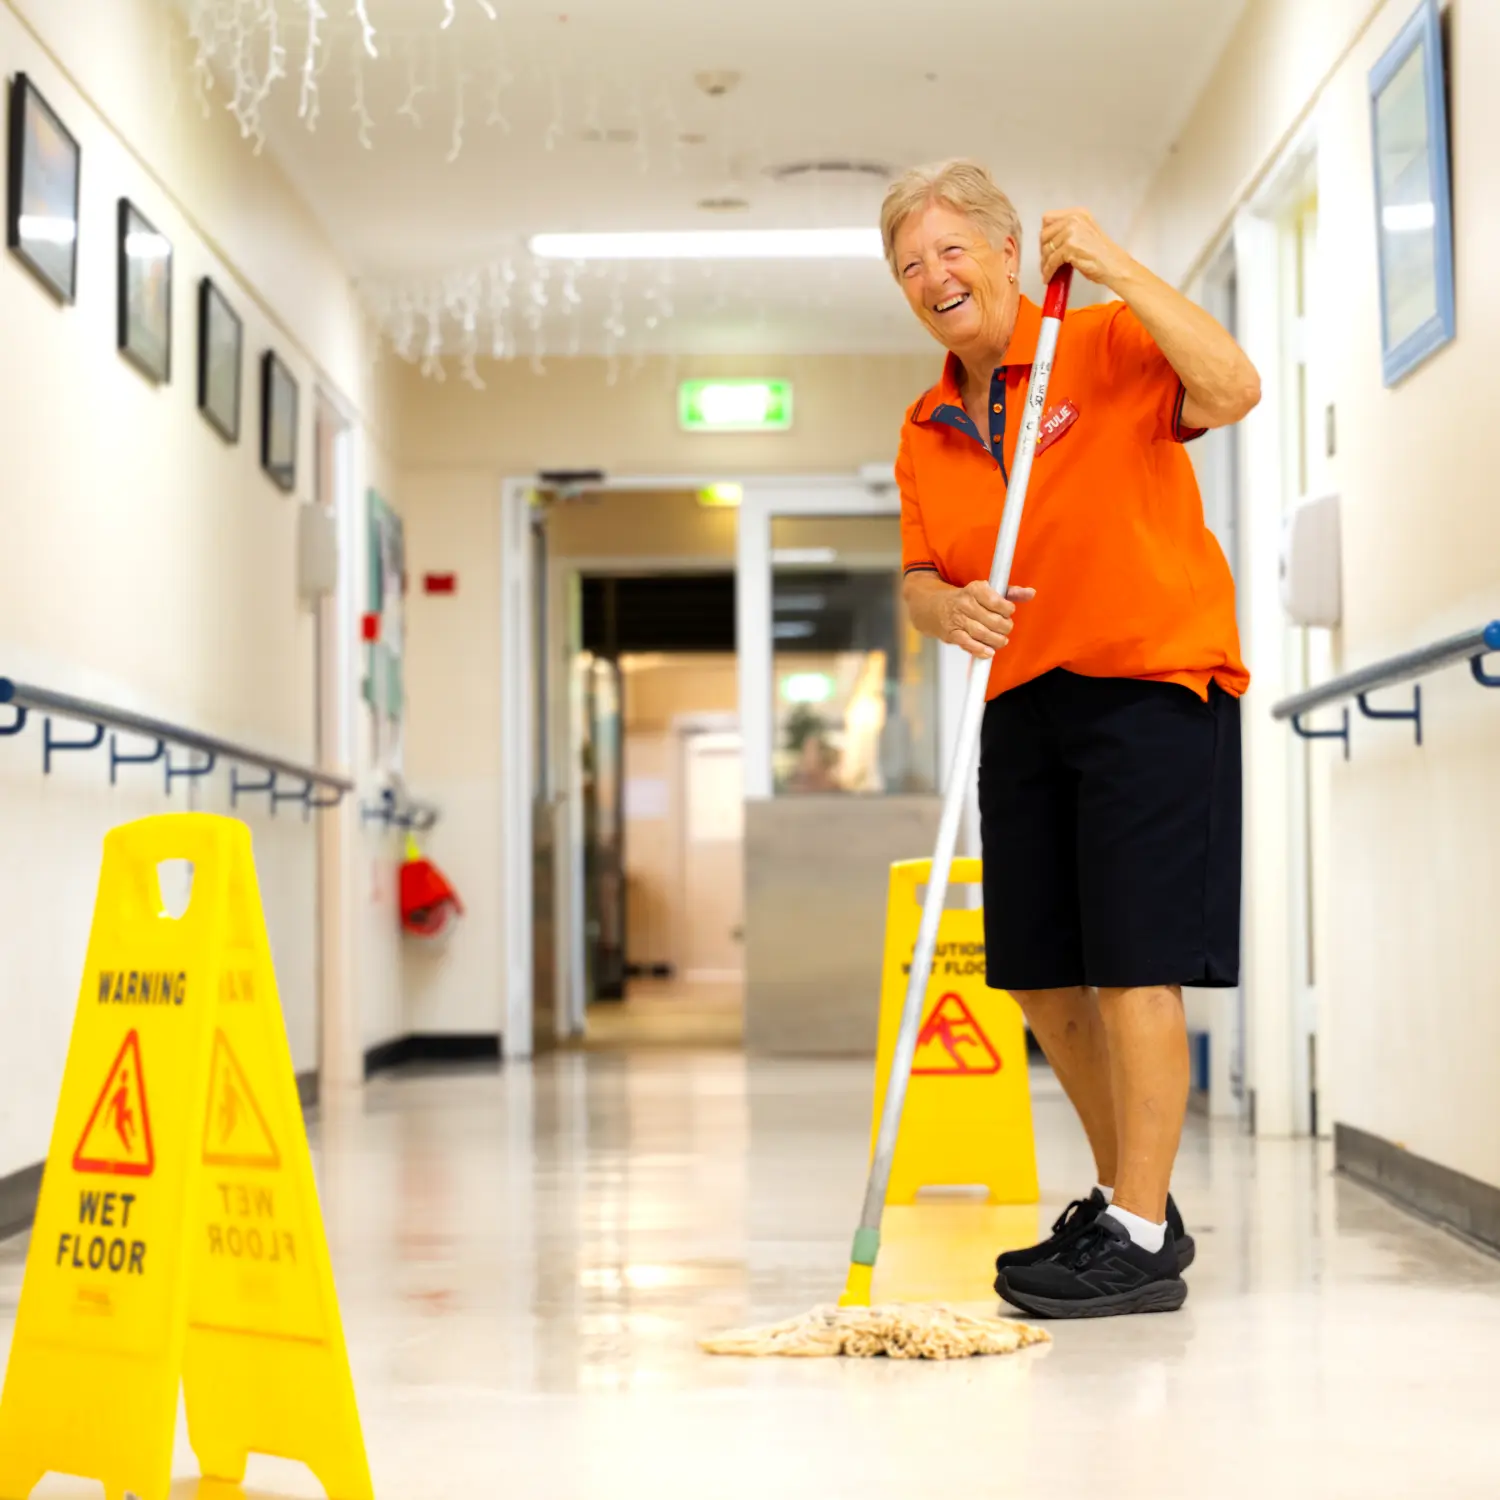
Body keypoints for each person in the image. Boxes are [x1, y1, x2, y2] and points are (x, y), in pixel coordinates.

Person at [883, 159, 1259, 1318]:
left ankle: (1139, 1236)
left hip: (1148, 682)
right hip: (1022, 701)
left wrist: (1115, 268)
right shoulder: (926, 424)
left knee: (1134, 961)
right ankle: (1129, 1203)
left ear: (1006, 253)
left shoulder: (1100, 343)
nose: (933, 278)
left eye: (952, 250)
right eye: (908, 266)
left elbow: (1233, 385)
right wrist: (946, 609)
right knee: (1044, 977)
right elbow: (916, 574)